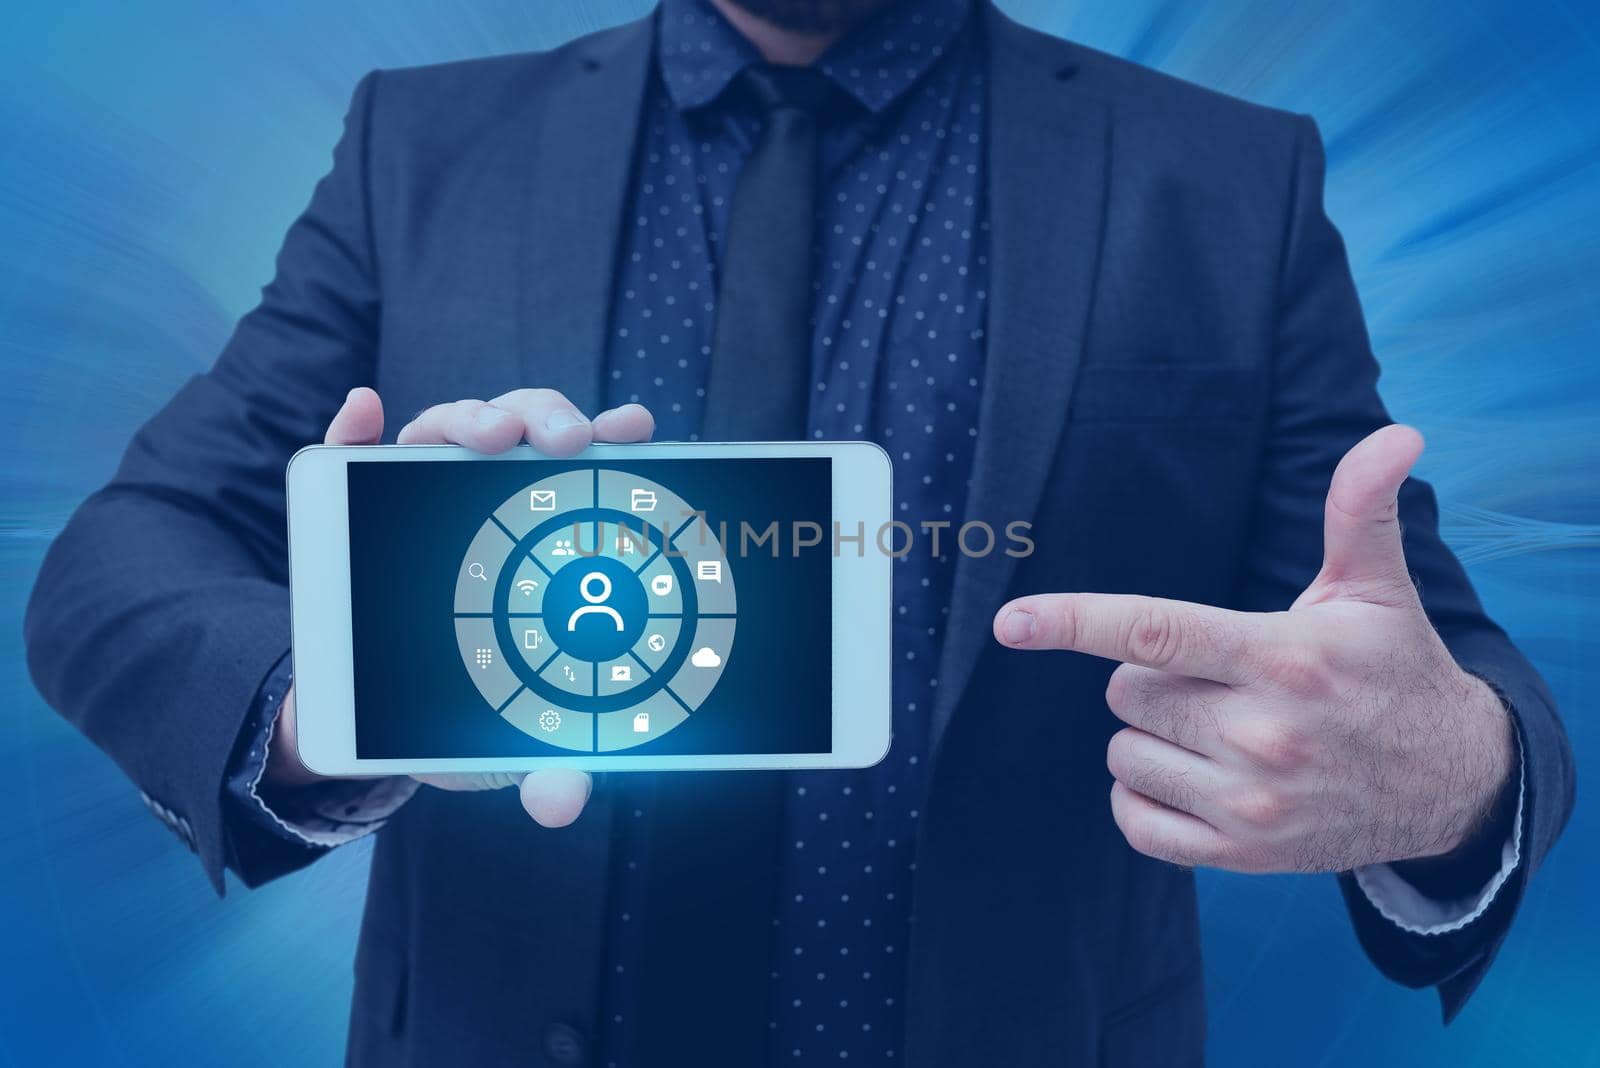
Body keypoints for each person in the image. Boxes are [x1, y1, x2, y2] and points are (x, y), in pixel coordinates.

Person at [24, 0, 1573, 1064]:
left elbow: (1424, 655)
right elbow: (121, 559)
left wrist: (1454, 774)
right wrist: (344, 698)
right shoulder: (420, 150)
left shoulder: (1229, 180)